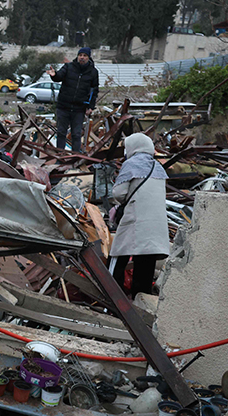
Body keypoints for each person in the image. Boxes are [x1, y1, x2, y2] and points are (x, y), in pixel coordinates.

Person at [109, 132, 170, 298]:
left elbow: (119, 194)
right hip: (156, 227)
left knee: (117, 258)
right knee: (145, 269)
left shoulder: (131, 164)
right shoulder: (158, 167)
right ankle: (141, 303)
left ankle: (112, 300)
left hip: (135, 221)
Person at [47, 47, 100, 153]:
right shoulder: (68, 67)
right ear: (77, 56)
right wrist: (54, 75)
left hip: (79, 108)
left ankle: (75, 157)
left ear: (88, 58)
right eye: (80, 55)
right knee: (61, 132)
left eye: (85, 56)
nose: (82, 57)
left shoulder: (93, 72)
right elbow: (59, 76)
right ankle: (60, 156)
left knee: (76, 134)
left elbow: (94, 91)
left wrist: (90, 106)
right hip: (63, 106)